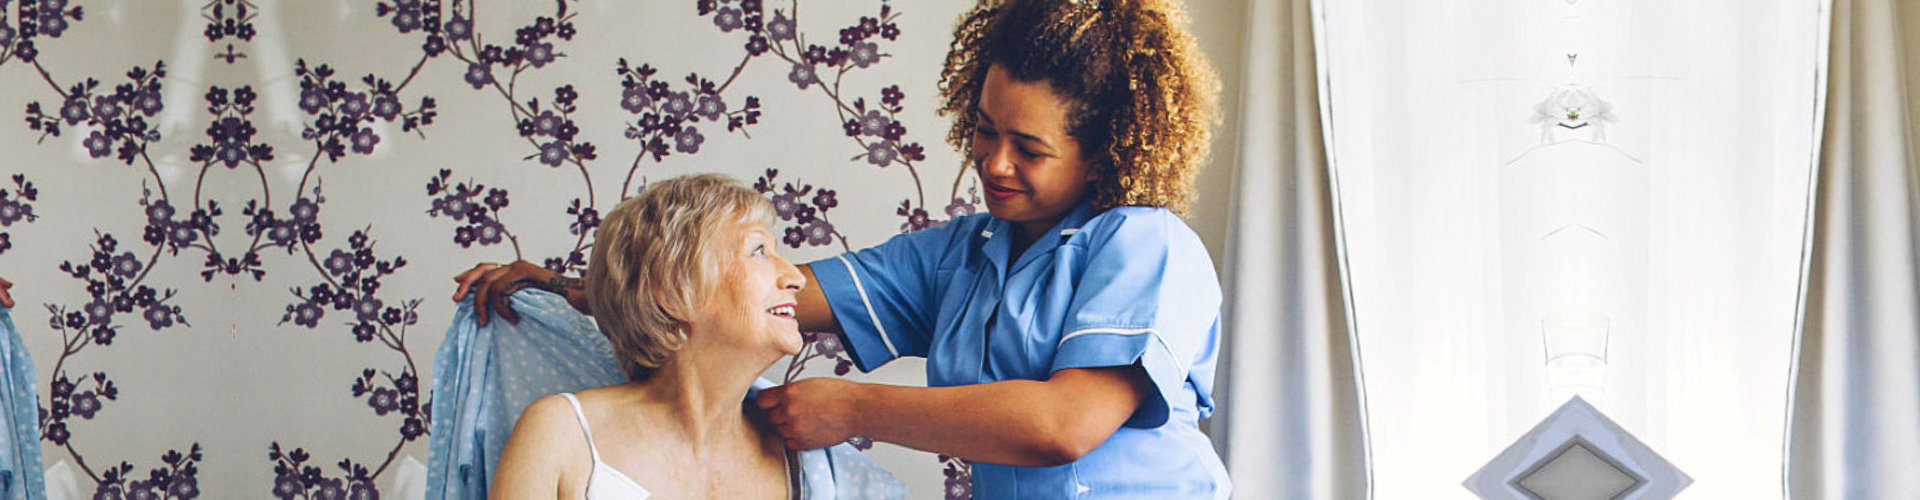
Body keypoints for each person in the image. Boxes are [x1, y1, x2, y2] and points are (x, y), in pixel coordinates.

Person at [457, 0, 1228, 496]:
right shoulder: (960, 256)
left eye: (1027, 148)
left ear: (1101, 152)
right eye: (985, 131)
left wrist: (854, 408)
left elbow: (1063, 425)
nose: (993, 162)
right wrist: (568, 286)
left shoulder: (1146, 245)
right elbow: (731, 291)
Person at [488, 174, 818, 499]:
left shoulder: (802, 457)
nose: (795, 278)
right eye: (758, 250)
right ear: (672, 291)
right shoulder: (562, 432)